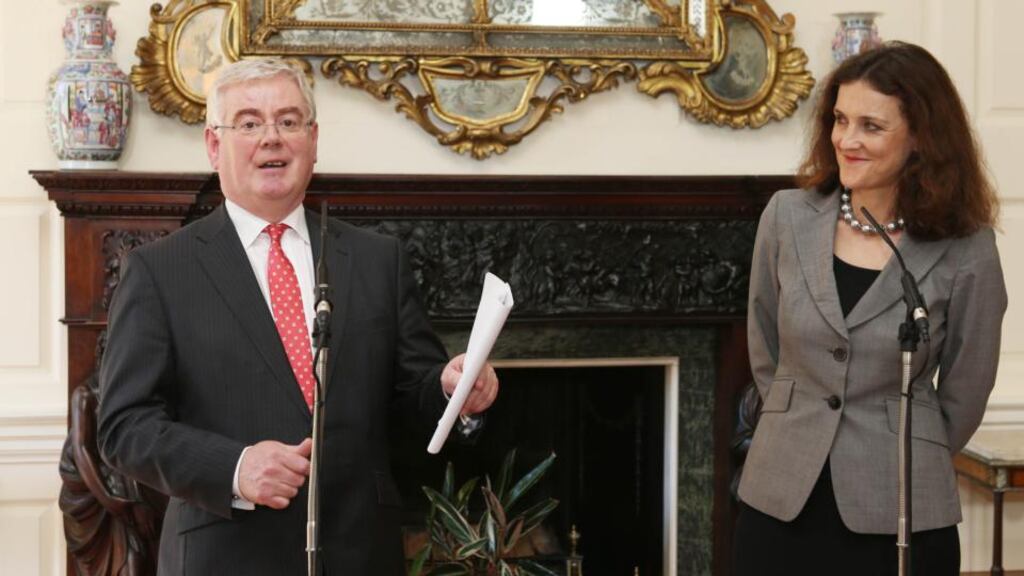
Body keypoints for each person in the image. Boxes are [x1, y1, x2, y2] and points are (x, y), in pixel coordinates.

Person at [97, 58, 499, 576]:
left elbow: (410, 402)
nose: (272, 138)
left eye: (288, 122)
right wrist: (236, 468)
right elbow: (124, 427)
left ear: (312, 141)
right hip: (225, 557)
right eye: (248, 123)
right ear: (214, 145)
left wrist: (452, 393)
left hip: (360, 554)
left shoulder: (377, 260)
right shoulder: (160, 270)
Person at [735, 42, 1006, 576]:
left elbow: (967, 385)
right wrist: (796, 417)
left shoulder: (966, 245)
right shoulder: (787, 216)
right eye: (839, 120)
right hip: (781, 492)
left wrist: (910, 446)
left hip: (901, 501)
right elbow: (764, 346)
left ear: (921, 139)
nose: (847, 140)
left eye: (871, 126)